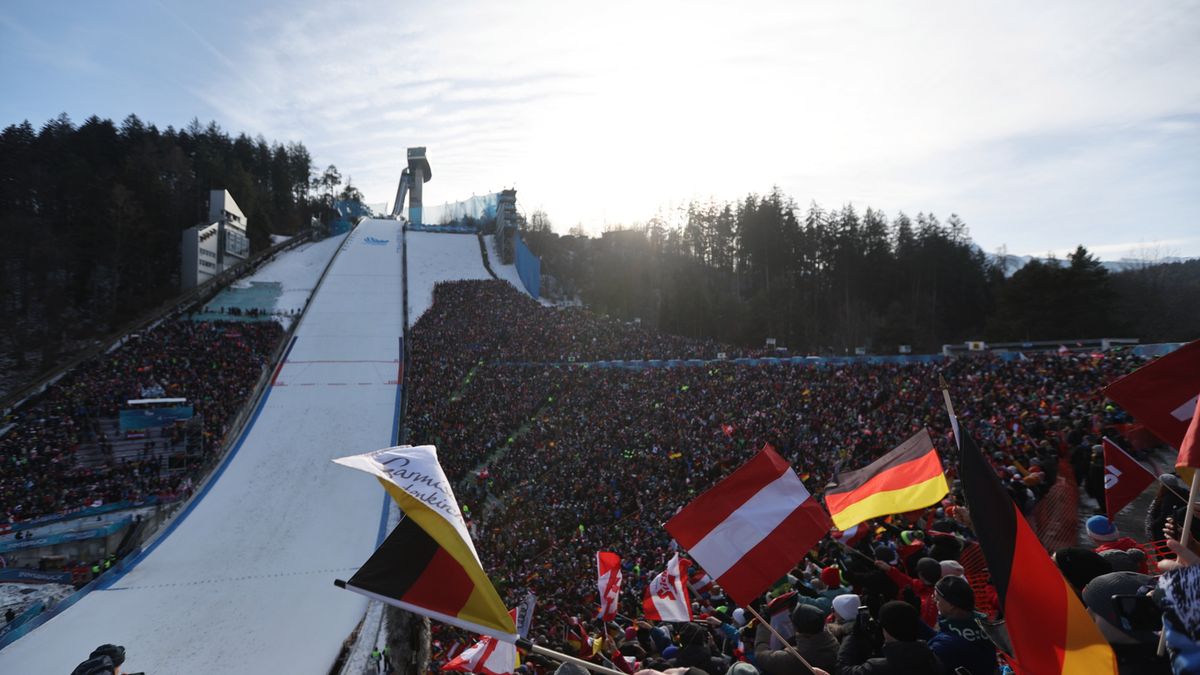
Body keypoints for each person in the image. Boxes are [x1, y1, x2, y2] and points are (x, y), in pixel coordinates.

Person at [837, 601, 945, 674]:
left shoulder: (876, 668)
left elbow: (842, 669)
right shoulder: (933, 658)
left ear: (885, 630)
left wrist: (851, 636)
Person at [927, 575, 999, 674]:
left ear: (951, 605)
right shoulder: (984, 623)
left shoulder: (946, 644)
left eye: (937, 599)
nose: (935, 601)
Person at [754, 604, 838, 675]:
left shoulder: (793, 658)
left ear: (796, 628)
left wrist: (763, 625)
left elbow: (761, 655)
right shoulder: (833, 639)